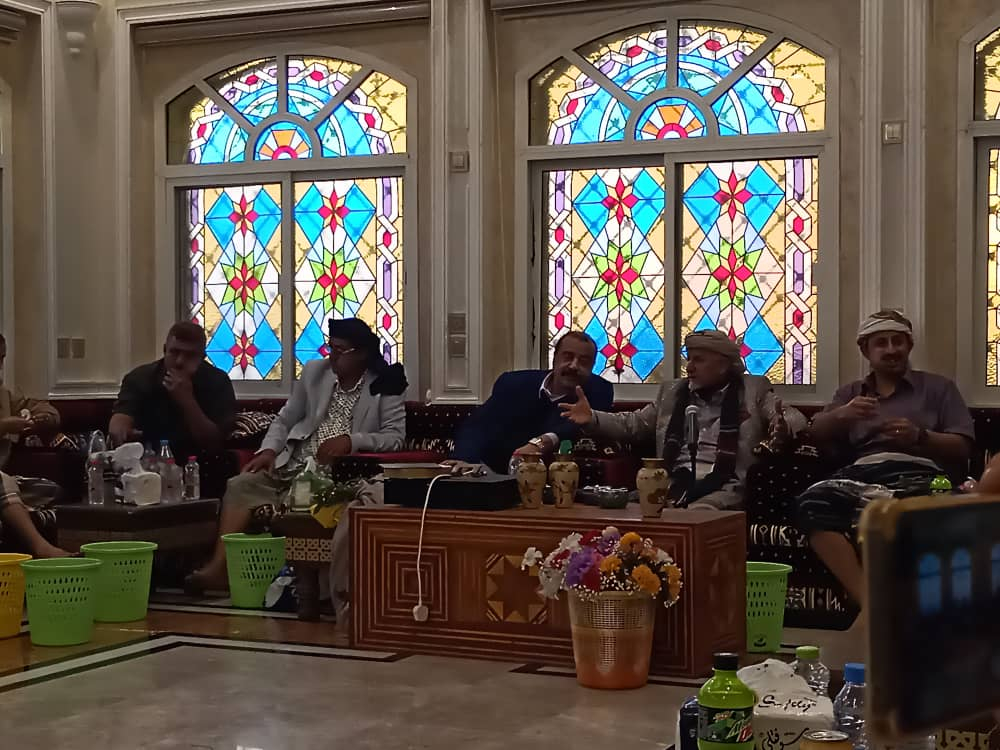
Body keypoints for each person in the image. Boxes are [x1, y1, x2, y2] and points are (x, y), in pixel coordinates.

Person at [185, 317, 407, 594]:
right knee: (241, 484)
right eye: (331, 348)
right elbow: (285, 419)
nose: (332, 356)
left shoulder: (386, 384)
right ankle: (218, 570)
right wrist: (268, 450)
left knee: (313, 499)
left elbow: (395, 438)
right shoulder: (316, 372)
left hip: (336, 476)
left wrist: (352, 441)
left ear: (361, 353)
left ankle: (313, 588)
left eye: (340, 350)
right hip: (293, 464)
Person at [796, 310, 974, 607]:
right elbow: (814, 433)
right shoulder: (851, 393)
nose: (891, 349)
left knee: (938, 511)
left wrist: (920, 436)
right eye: (881, 343)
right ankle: (870, 604)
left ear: (909, 346)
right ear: (865, 350)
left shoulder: (939, 388)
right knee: (811, 503)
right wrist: (842, 415)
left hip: (921, 473)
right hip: (860, 475)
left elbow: (964, 446)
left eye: (898, 341)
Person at [560, 329, 804, 510]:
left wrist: (782, 425)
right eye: (689, 359)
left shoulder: (753, 389)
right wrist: (592, 417)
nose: (690, 367)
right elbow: (634, 424)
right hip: (673, 481)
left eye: (699, 360)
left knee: (696, 514)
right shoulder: (673, 392)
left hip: (725, 484)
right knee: (626, 509)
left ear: (723, 365)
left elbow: (793, 417)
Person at [449, 332, 614, 474]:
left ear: (592, 366)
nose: (574, 366)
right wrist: (464, 459)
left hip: (551, 480)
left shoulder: (599, 390)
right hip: (494, 474)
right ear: (555, 358)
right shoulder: (514, 384)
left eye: (584, 361)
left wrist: (541, 442)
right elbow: (478, 425)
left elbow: (575, 426)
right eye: (568, 357)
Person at [109, 322, 237, 457]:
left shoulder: (218, 382)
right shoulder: (140, 378)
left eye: (190, 355)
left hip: (201, 461)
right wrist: (120, 427)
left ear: (202, 357)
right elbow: (122, 415)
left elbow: (215, 443)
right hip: (147, 458)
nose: (179, 361)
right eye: (174, 352)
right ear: (165, 350)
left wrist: (187, 400)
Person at [0, 334, 68, 557]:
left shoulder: (3, 394)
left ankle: (10, 507)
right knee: (3, 481)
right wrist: (4, 426)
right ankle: (42, 548)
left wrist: (41, 419)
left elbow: (44, 409)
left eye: (1, 359)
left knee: (49, 490)